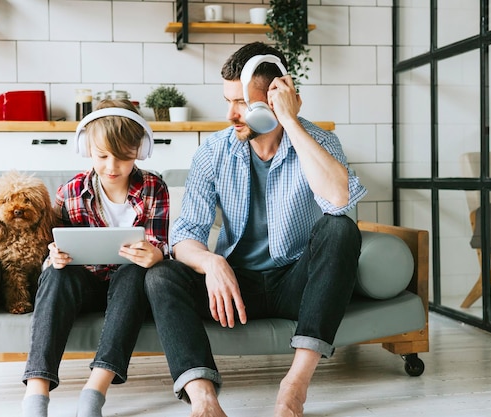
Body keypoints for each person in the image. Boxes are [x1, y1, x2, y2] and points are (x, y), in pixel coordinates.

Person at [145, 41, 367, 417]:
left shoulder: (321, 142)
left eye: (243, 103)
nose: (231, 113)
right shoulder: (213, 152)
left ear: (274, 101)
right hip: (236, 286)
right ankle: (203, 400)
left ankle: (294, 386)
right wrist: (212, 263)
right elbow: (184, 235)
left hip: (295, 281)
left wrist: (292, 123)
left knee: (341, 230)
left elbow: (339, 202)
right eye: (228, 100)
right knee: (162, 275)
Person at [21, 99, 169, 417]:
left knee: (135, 272)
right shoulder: (70, 191)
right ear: (87, 149)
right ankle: (36, 396)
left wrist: (155, 254)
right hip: (83, 286)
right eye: (102, 156)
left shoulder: (154, 187)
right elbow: (53, 245)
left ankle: (93, 392)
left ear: (139, 151)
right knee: (56, 273)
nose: (112, 167)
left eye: (124, 157)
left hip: (129, 292)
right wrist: (54, 257)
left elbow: (162, 243)